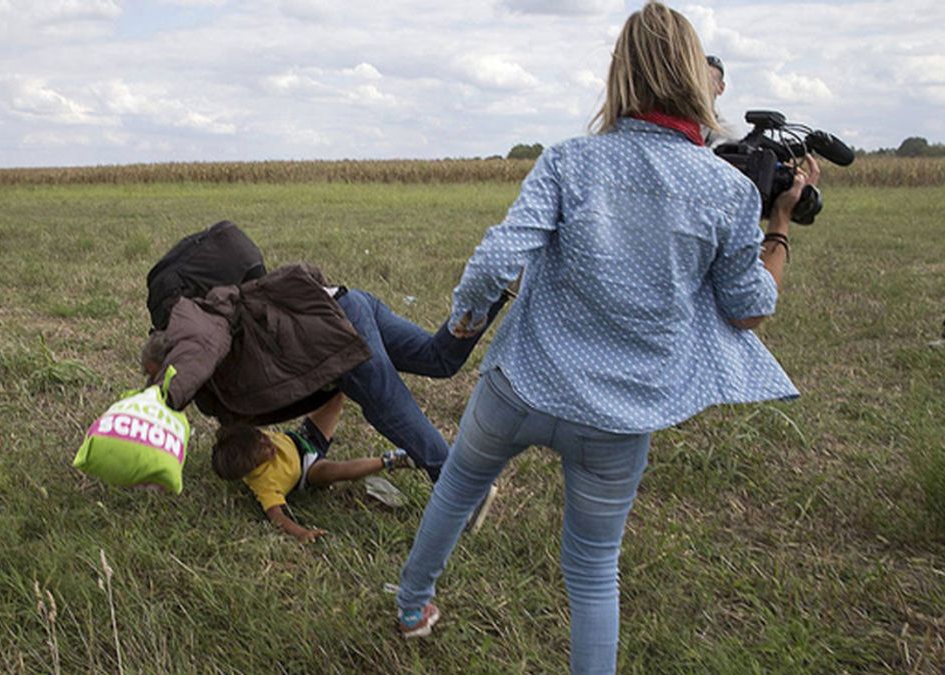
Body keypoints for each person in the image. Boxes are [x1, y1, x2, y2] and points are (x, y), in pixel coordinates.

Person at [393, 2, 819, 672]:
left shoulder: (569, 162)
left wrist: (464, 324)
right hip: (619, 417)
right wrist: (780, 226)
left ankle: (412, 604)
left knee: (458, 489)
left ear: (620, 73)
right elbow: (748, 310)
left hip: (519, 385)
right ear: (694, 76)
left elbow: (494, 262)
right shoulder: (730, 192)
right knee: (592, 570)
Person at [145, 263, 509, 484]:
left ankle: (459, 486)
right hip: (344, 303)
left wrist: (159, 399)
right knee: (437, 359)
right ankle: (490, 291)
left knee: (386, 403)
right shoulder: (219, 374)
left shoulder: (201, 340)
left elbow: (196, 359)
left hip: (332, 332)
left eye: (155, 373)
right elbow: (238, 427)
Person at [211, 392, 416, 542]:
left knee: (334, 396)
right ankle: (390, 461)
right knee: (333, 472)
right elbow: (277, 517)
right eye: (263, 451)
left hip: (304, 439)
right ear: (252, 467)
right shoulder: (264, 483)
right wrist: (301, 533)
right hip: (309, 470)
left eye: (263, 438)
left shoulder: (247, 439)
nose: (268, 444)